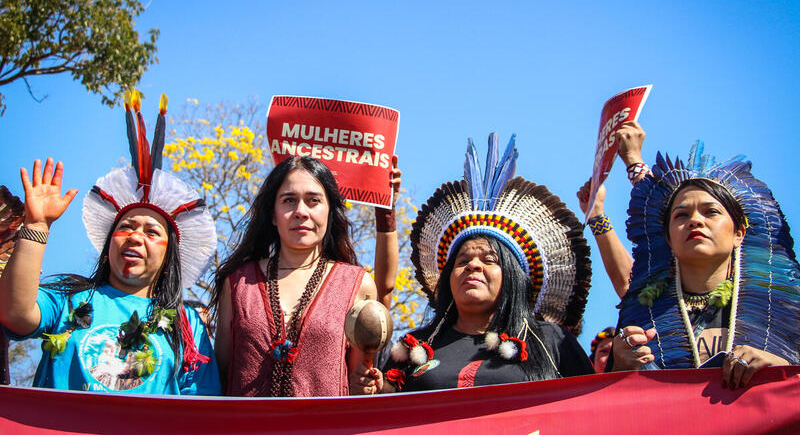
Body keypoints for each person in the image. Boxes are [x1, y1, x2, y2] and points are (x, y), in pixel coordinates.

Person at [0, 93, 221, 395]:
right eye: (126, 227)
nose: (135, 236)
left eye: (152, 232)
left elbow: (201, 410)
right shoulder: (69, 296)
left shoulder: (188, 325)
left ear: (170, 258)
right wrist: (36, 227)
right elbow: (15, 314)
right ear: (107, 248)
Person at [351, 134, 593, 394]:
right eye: (462, 260)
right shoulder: (415, 347)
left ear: (512, 276)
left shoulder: (550, 342)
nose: (472, 266)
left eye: (489, 260)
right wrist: (374, 389)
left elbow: (592, 408)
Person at [609, 131, 800, 389]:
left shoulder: (788, 310)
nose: (695, 221)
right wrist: (619, 368)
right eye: (681, 215)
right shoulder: (639, 321)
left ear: (739, 234)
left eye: (711, 212)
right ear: (667, 238)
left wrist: (781, 366)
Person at [212, 154, 402, 396]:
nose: (301, 211)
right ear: (272, 214)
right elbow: (219, 377)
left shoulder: (357, 283)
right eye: (289, 200)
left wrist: (364, 384)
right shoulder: (238, 282)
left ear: (329, 212)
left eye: (313, 201)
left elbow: (359, 376)